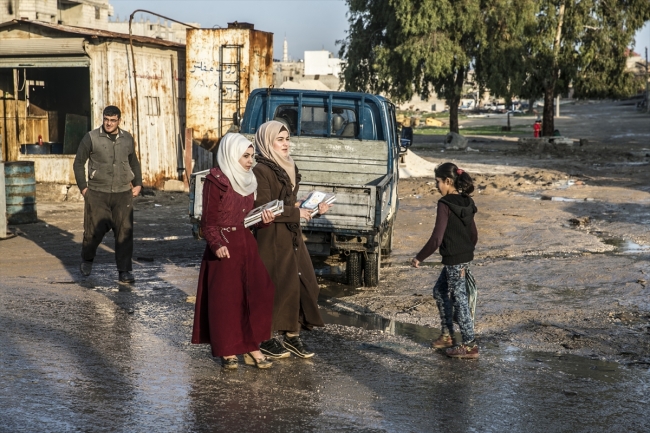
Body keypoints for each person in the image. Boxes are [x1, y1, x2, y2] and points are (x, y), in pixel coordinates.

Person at [191, 133, 277, 369]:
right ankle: (228, 350)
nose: (250, 161)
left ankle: (251, 347)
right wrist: (217, 244)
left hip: (245, 244)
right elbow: (207, 223)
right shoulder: (216, 180)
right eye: (245, 156)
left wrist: (265, 218)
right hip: (224, 246)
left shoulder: (249, 181)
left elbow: (247, 219)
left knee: (259, 294)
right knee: (226, 301)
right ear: (231, 154)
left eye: (252, 156)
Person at [252, 120, 332, 359]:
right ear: (268, 142)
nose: (286, 144)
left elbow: (287, 203)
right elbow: (263, 207)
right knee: (275, 286)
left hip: (291, 233)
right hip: (271, 236)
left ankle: (291, 336)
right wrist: (297, 212)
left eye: (287, 139)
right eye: (280, 139)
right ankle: (265, 338)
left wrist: (310, 206)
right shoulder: (261, 170)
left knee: (305, 282)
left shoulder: (287, 165)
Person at [411, 162, 479, 359]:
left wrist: (419, 258)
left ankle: (469, 345)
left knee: (460, 300)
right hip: (461, 258)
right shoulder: (467, 201)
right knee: (440, 291)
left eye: (438, 182)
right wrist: (465, 253)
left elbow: (436, 238)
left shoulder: (445, 204)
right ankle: (448, 335)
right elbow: (474, 234)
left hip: (455, 261)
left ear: (448, 181)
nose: (436, 186)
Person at [73, 105, 142, 283]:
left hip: (122, 193)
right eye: (106, 119)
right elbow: (78, 163)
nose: (108, 123)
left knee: (124, 232)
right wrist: (83, 188)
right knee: (93, 232)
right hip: (97, 193)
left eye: (112, 120)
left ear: (119, 120)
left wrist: (138, 183)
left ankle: (124, 271)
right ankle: (87, 259)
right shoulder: (91, 138)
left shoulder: (127, 138)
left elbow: (133, 161)